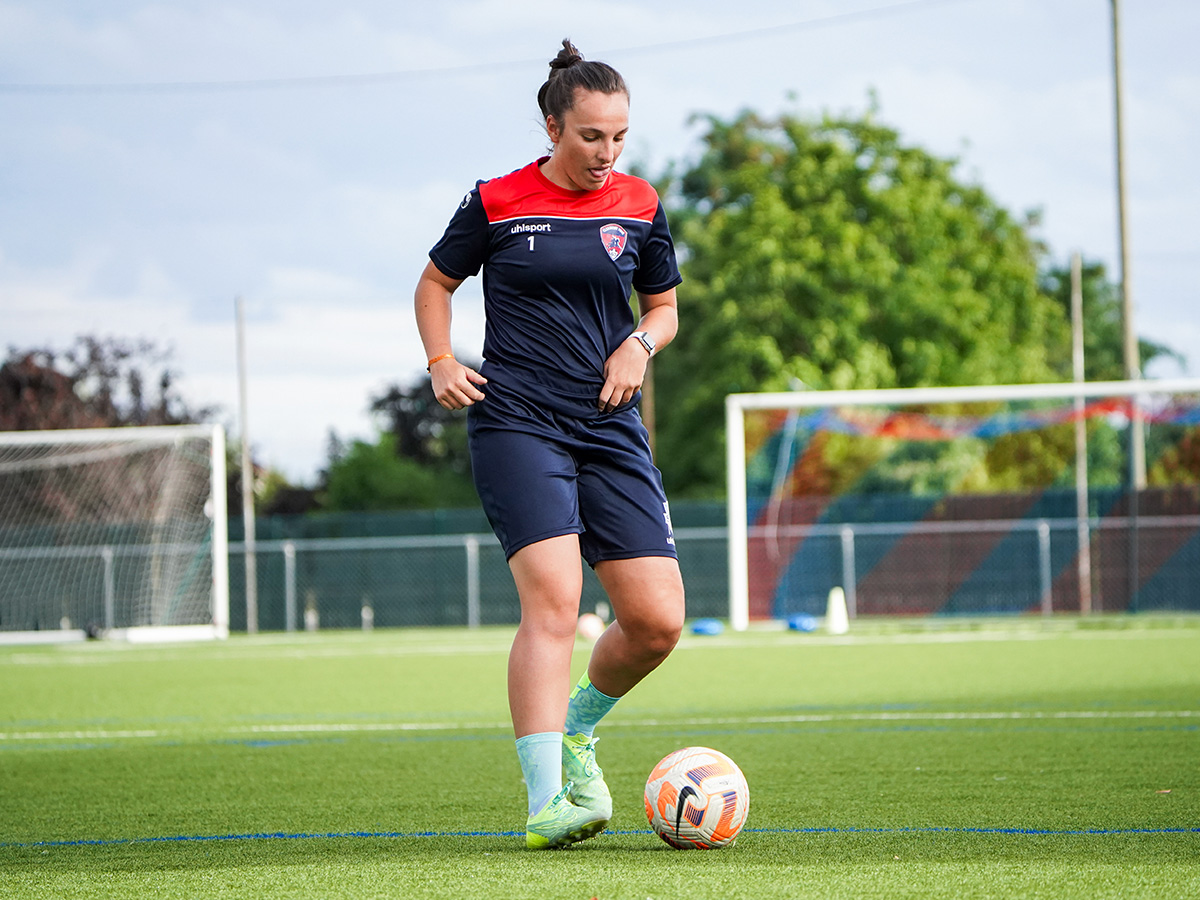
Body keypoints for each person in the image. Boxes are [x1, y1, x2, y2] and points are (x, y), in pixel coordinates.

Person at [414, 39, 686, 849]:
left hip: (610, 423)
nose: (607, 153)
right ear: (553, 127)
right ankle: (546, 805)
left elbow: (664, 307)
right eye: (591, 136)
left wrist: (639, 345)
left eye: (619, 137)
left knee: (658, 622)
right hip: (519, 421)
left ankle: (576, 729)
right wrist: (440, 361)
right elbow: (435, 283)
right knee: (556, 603)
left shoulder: (640, 202)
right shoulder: (497, 200)